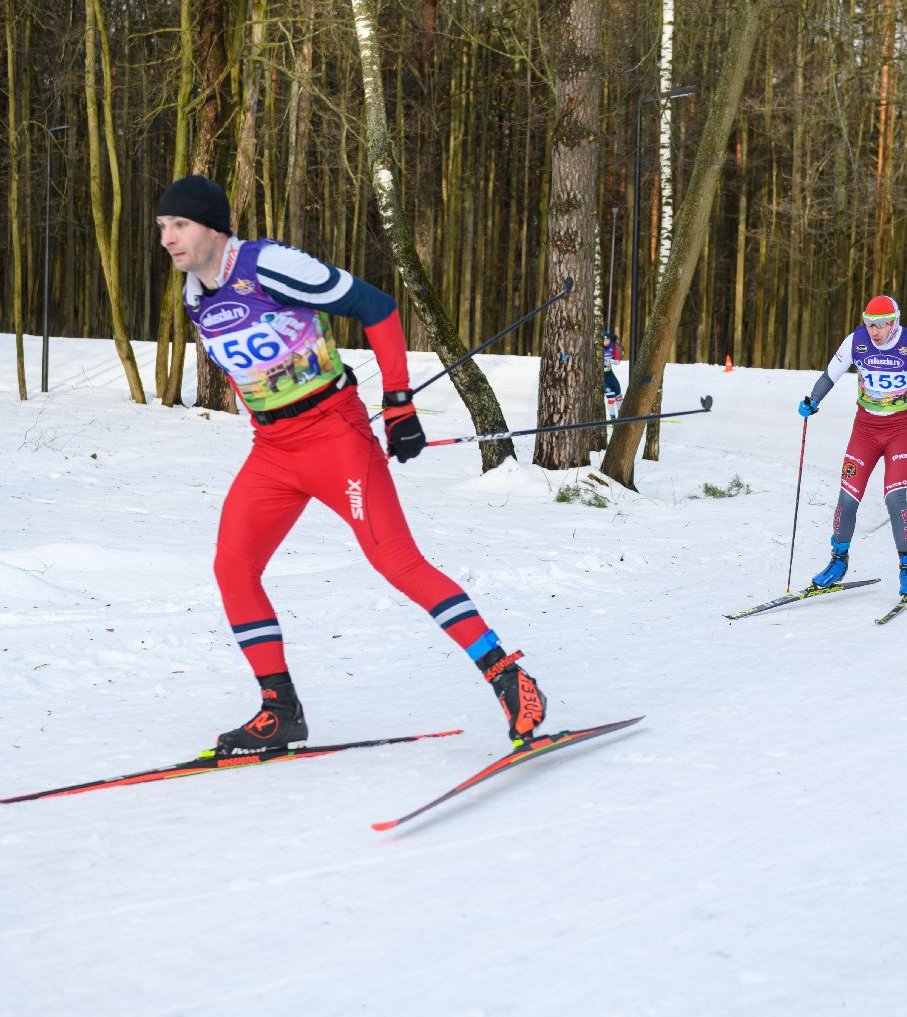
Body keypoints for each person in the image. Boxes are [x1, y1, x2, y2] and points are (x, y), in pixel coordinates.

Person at [155, 175, 546, 756]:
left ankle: (508, 676)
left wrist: (399, 404)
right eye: (163, 226)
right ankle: (280, 711)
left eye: (180, 225)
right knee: (233, 568)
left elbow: (376, 307)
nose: (167, 238)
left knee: (398, 563)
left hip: (335, 438)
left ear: (214, 227)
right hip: (272, 451)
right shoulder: (195, 294)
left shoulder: (268, 265)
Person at [796, 294, 907, 598]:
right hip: (865, 430)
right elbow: (829, 375)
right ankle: (838, 561)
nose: (874, 331)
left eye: (881, 325)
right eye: (870, 324)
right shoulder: (856, 341)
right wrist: (813, 400)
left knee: (894, 498)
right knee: (847, 498)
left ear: (894, 323)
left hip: (901, 430)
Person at [602, 330, 624, 420]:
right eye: (605, 340)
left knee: (619, 395)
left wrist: (611, 360)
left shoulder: (613, 346)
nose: (607, 342)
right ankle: (613, 418)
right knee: (611, 397)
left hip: (609, 374)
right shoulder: (596, 347)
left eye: (608, 340)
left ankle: (622, 417)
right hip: (601, 377)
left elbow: (618, 362)